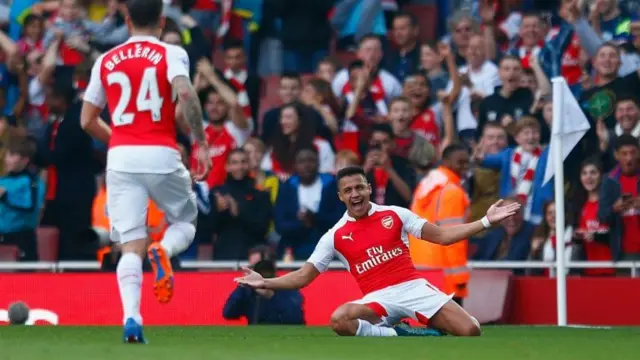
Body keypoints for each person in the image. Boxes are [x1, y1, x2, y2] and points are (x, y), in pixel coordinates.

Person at [235, 165, 521, 337]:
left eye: (359, 187)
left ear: (369, 188)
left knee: (471, 331)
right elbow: (303, 277)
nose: (355, 194)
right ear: (340, 196)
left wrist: (486, 221)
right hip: (378, 300)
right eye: (348, 190)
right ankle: (399, 335)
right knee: (339, 320)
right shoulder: (335, 235)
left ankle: (422, 325)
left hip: (413, 288)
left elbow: (444, 236)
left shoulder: (396, 214)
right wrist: (265, 282)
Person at [79, 0, 211, 343]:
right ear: (161, 19)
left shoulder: (105, 60)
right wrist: (201, 143)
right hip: (162, 152)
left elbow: (87, 120)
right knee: (184, 222)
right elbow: (185, 93)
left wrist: (120, 141)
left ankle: (132, 320)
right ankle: (164, 251)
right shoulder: (171, 53)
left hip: (121, 157)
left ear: (126, 20)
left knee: (128, 244)